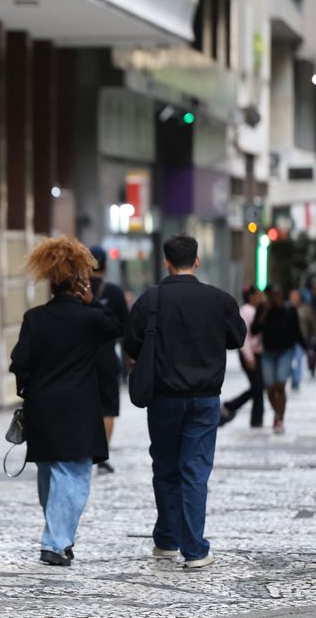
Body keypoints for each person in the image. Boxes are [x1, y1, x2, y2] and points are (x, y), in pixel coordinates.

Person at [124, 234, 246, 570]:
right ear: (197, 261)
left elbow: (131, 345)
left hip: (163, 397)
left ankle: (166, 540)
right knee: (195, 470)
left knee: (165, 467)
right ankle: (194, 550)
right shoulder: (219, 300)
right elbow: (237, 338)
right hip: (205, 398)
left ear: (167, 262)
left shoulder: (151, 299)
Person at [10, 237, 122, 567]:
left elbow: (20, 362)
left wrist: (28, 391)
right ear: (78, 283)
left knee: (50, 473)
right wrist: (93, 302)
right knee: (73, 475)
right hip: (78, 408)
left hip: (42, 407)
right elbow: (116, 327)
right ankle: (55, 542)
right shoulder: (89, 319)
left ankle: (59, 535)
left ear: (50, 282)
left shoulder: (34, 318)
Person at [88, 245, 130, 474]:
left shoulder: (76, 290)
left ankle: (82, 450)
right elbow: (125, 328)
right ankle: (101, 456)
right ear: (105, 266)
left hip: (80, 360)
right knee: (108, 409)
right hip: (106, 357)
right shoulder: (114, 292)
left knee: (83, 406)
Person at [252, 284, 304, 435]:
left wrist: (307, 348)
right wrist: (265, 313)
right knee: (270, 388)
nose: (277, 298)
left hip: (286, 351)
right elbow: (254, 330)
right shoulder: (263, 308)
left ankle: (280, 418)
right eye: (274, 295)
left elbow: (297, 331)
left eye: (279, 295)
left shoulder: (289, 309)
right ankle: (277, 413)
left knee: (280, 384)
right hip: (268, 352)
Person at [221, 286, 265, 429]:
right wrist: (248, 356)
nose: (260, 298)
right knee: (258, 386)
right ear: (251, 296)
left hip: (258, 353)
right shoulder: (246, 311)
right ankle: (231, 406)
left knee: (259, 387)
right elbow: (244, 336)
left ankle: (257, 419)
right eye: (257, 295)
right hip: (249, 354)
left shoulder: (259, 310)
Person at [290, 289, 316, 391]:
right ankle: (292, 378)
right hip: (287, 340)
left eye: (295, 297)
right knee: (288, 361)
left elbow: (312, 324)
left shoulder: (306, 309)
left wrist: (314, 336)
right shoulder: (286, 307)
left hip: (300, 339)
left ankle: (296, 381)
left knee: (298, 360)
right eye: (292, 297)